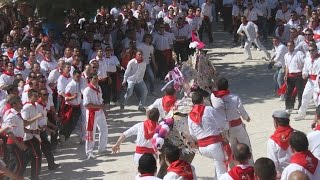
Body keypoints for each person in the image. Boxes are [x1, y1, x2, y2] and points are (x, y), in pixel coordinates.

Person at [211, 77, 253, 163]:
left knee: (233, 149)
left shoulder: (213, 97)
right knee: (246, 145)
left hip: (224, 129)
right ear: (228, 86)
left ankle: (236, 168)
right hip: (237, 126)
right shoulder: (235, 97)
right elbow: (241, 110)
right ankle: (250, 165)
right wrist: (246, 118)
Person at [188, 92, 227, 179]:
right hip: (214, 145)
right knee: (222, 170)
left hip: (202, 148)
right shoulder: (209, 109)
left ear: (193, 103)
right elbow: (222, 123)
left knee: (218, 164)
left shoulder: (189, 116)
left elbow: (192, 134)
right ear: (203, 100)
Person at [83, 73, 108, 159]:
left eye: (97, 78)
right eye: (94, 78)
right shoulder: (87, 90)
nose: (96, 80)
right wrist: (100, 107)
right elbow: (87, 105)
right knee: (91, 133)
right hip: (91, 113)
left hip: (100, 112)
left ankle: (101, 149)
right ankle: (89, 152)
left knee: (104, 129)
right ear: (90, 79)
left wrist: (104, 110)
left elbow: (100, 100)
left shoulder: (99, 88)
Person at [21, 89, 43, 180]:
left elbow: (33, 122)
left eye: (37, 96)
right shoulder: (26, 107)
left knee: (33, 157)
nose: (37, 98)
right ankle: (34, 176)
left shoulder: (35, 106)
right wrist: (37, 117)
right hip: (28, 136)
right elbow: (24, 123)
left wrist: (38, 126)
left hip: (34, 135)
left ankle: (34, 175)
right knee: (35, 156)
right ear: (29, 96)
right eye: (35, 96)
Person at [296, 44, 320, 120]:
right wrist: (304, 74)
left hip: (318, 81)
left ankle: (318, 116)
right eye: (309, 50)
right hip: (310, 81)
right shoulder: (307, 59)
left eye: (313, 50)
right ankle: (302, 113)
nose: (311, 52)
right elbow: (305, 69)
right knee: (305, 96)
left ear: (316, 50)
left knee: (317, 99)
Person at [59, 69, 82, 143]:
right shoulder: (70, 85)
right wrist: (73, 97)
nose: (79, 78)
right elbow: (66, 98)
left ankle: (65, 136)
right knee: (69, 123)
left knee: (74, 124)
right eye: (77, 76)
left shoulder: (79, 83)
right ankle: (63, 135)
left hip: (77, 106)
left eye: (79, 76)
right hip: (71, 108)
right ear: (73, 76)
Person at [284, 41, 305, 112]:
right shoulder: (286, 55)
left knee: (300, 93)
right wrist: (286, 75)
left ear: (294, 46)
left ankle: (300, 108)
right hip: (290, 76)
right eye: (288, 46)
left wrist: (304, 72)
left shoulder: (299, 53)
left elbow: (305, 63)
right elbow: (287, 66)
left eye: (291, 45)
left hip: (298, 75)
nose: (289, 47)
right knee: (288, 92)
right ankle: (288, 107)